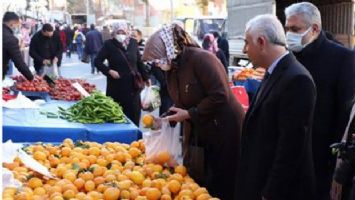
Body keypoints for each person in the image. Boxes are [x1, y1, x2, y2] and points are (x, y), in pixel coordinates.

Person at [142, 24, 244, 199]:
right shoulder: (172, 69)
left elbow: (220, 95)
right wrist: (164, 119)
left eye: (159, 58)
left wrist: (189, 114)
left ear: (171, 48)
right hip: (199, 128)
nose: (157, 64)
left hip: (223, 128)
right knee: (200, 179)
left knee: (222, 178)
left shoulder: (201, 59)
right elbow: (181, 101)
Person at [236, 14, 317, 200]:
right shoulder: (272, 72)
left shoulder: (297, 79)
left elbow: (290, 148)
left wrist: (270, 193)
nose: (244, 49)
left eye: (247, 43)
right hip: (259, 180)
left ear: (261, 42)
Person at [284, 2, 355, 199]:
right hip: (292, 153)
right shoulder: (289, 57)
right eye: (287, 28)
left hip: (322, 157)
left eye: (295, 29)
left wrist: (337, 162)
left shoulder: (342, 58)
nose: (289, 34)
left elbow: (345, 113)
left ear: (314, 29)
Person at [94, 22, 149, 126]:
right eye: (118, 32)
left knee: (134, 116)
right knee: (116, 118)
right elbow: (97, 61)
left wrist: (146, 77)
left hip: (133, 87)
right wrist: (109, 71)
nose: (121, 34)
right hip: (116, 88)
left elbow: (139, 62)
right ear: (114, 32)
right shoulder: (109, 44)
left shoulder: (133, 43)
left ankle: (134, 140)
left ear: (127, 31)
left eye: (123, 32)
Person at [2, 11, 33, 80]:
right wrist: (31, 77)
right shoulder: (10, 39)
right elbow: (19, 62)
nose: (17, 27)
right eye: (17, 25)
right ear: (12, 24)